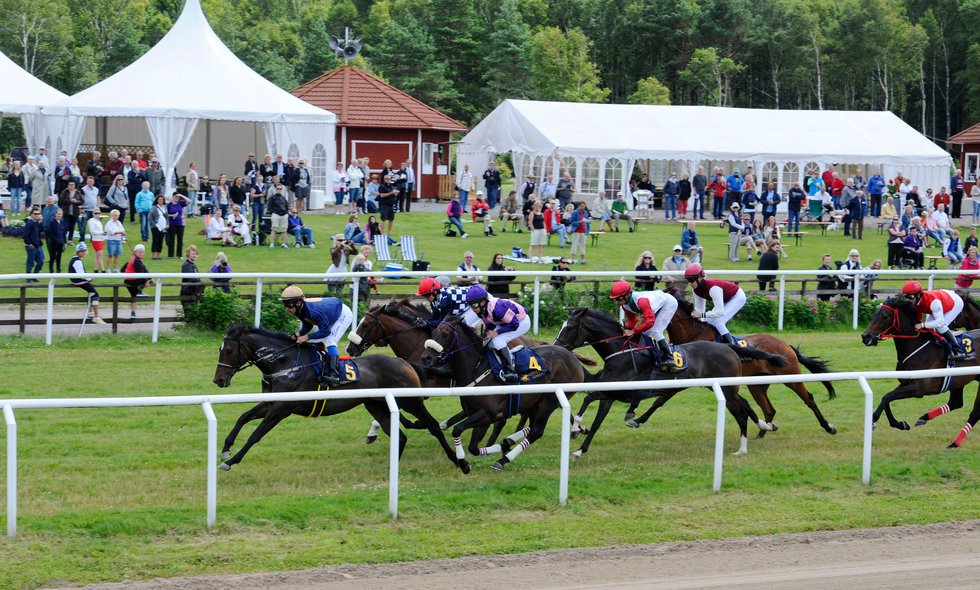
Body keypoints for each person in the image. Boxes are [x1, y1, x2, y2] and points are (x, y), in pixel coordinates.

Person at [280, 285, 354, 385]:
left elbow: (325, 331)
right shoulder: (299, 309)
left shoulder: (312, 311)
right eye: (285, 305)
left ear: (298, 303)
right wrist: (298, 334)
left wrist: (306, 337)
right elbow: (308, 324)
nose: (287, 309)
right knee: (314, 342)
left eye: (289, 305)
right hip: (329, 314)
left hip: (342, 314)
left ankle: (334, 374)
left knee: (330, 340)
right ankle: (321, 367)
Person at [464, 285, 529, 384]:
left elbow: (514, 325)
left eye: (473, 305)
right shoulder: (480, 309)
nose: (472, 308)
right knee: (487, 342)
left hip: (521, 322)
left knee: (498, 341)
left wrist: (496, 332)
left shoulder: (498, 309)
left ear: (482, 302)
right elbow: (489, 324)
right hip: (505, 322)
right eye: (470, 305)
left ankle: (512, 371)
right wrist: (486, 333)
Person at [609, 279, 678, 371]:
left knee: (656, 331)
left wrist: (633, 331)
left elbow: (649, 322)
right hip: (655, 307)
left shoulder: (641, 301)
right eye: (615, 299)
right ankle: (654, 355)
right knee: (645, 334)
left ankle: (669, 358)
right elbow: (633, 320)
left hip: (668, 303)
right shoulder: (625, 305)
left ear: (627, 295)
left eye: (619, 298)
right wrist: (626, 328)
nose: (617, 302)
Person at [901, 281, 968, 360]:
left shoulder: (933, 302)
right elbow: (918, 321)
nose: (908, 299)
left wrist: (922, 325)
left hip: (955, 303)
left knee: (941, 326)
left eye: (911, 296)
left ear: (918, 295)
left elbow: (940, 322)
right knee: (930, 327)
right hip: (942, 298)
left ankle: (959, 351)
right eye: (906, 296)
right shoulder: (914, 303)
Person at [685, 264, 746, 344]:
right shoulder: (696, 290)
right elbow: (699, 310)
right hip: (726, 298)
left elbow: (719, 312)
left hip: (737, 297)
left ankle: (732, 347)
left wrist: (702, 315)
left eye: (691, 280)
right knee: (707, 322)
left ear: (700, 278)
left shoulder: (713, 289)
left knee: (719, 322)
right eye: (688, 280)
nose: (690, 283)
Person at [68, 242, 106, 324]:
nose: (85, 253)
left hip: (78, 280)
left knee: (91, 293)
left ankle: (90, 312)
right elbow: (81, 274)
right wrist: (89, 279)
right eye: (84, 251)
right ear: (80, 252)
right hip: (79, 281)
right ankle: (96, 317)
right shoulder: (77, 261)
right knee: (95, 294)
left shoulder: (75, 259)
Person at [122, 244, 151, 320]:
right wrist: (146, 282)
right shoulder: (136, 261)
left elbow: (144, 270)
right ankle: (139, 292)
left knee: (134, 297)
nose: (142, 253)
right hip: (132, 281)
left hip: (130, 280)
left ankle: (133, 313)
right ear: (135, 252)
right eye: (140, 252)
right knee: (135, 295)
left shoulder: (136, 259)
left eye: (143, 252)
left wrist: (150, 277)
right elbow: (141, 274)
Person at [179, 245, 204, 315]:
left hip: (193, 293)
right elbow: (191, 278)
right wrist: (201, 282)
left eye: (196, 254)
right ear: (188, 254)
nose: (195, 255)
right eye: (193, 254)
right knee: (189, 317)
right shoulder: (186, 265)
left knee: (192, 316)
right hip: (187, 294)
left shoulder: (192, 265)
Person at [166, 193, 191, 259]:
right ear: (172, 197)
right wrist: (172, 215)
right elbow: (165, 214)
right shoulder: (169, 205)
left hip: (180, 224)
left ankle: (179, 255)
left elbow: (189, 201)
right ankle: (170, 255)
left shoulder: (180, 203)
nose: (177, 198)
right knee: (171, 239)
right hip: (172, 224)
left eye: (178, 197)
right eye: (175, 196)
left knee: (180, 240)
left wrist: (182, 195)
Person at [22, 208, 44, 281]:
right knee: (30, 262)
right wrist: (29, 244)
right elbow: (25, 235)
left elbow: (41, 232)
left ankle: (34, 275)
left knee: (41, 261)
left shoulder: (37, 223)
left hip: (38, 245)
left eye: (38, 214)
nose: (37, 215)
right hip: (31, 246)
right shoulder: (29, 223)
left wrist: (41, 222)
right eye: (35, 214)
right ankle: (28, 278)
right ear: (31, 215)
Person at [46, 208, 68, 273]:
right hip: (53, 243)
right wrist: (56, 240)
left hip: (60, 243)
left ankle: (58, 269)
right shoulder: (52, 223)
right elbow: (51, 233)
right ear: (55, 214)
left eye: (61, 214)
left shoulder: (62, 223)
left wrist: (64, 242)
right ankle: (51, 269)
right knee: (52, 257)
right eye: (58, 214)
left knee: (59, 256)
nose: (59, 215)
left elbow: (64, 233)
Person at [104, 208, 126, 273]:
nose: (115, 216)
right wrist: (119, 232)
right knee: (110, 255)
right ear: (112, 215)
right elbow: (111, 232)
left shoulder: (119, 222)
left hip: (118, 240)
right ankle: (108, 269)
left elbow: (122, 230)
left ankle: (116, 268)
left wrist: (123, 233)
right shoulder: (109, 223)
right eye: (114, 215)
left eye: (117, 215)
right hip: (111, 240)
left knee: (117, 255)